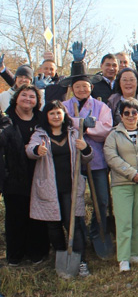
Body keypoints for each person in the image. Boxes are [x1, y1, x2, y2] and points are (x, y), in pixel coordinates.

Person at [26, 101, 94, 276]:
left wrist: (85, 148)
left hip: (70, 187)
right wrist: (37, 150)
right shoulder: (40, 135)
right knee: (53, 225)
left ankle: (80, 261)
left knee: (75, 224)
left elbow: (87, 157)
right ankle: (61, 255)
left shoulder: (73, 133)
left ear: (64, 115)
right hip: (49, 187)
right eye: (52, 114)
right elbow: (29, 150)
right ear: (46, 117)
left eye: (58, 113)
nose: (56, 117)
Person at [62, 61, 114, 249]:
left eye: (85, 86)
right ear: (72, 89)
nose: (82, 89)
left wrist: (87, 128)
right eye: (78, 87)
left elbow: (106, 129)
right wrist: (82, 123)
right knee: (75, 200)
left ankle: (97, 231)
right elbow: (62, 125)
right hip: (72, 160)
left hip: (96, 160)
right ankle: (79, 233)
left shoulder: (101, 107)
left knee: (101, 199)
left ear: (91, 87)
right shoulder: (64, 106)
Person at [104, 98, 138, 272]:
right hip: (122, 183)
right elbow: (111, 157)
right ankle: (123, 258)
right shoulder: (114, 135)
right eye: (126, 113)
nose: (130, 116)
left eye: (134, 113)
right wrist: (132, 173)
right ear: (121, 115)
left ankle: (135, 253)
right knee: (124, 221)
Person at [0, 85, 46, 265]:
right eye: (24, 95)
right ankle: (15, 255)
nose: (28, 99)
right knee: (15, 216)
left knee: (37, 214)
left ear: (37, 101)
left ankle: (36, 252)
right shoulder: (7, 119)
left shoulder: (42, 119)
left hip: (39, 172)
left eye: (32, 96)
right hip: (13, 174)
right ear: (16, 98)